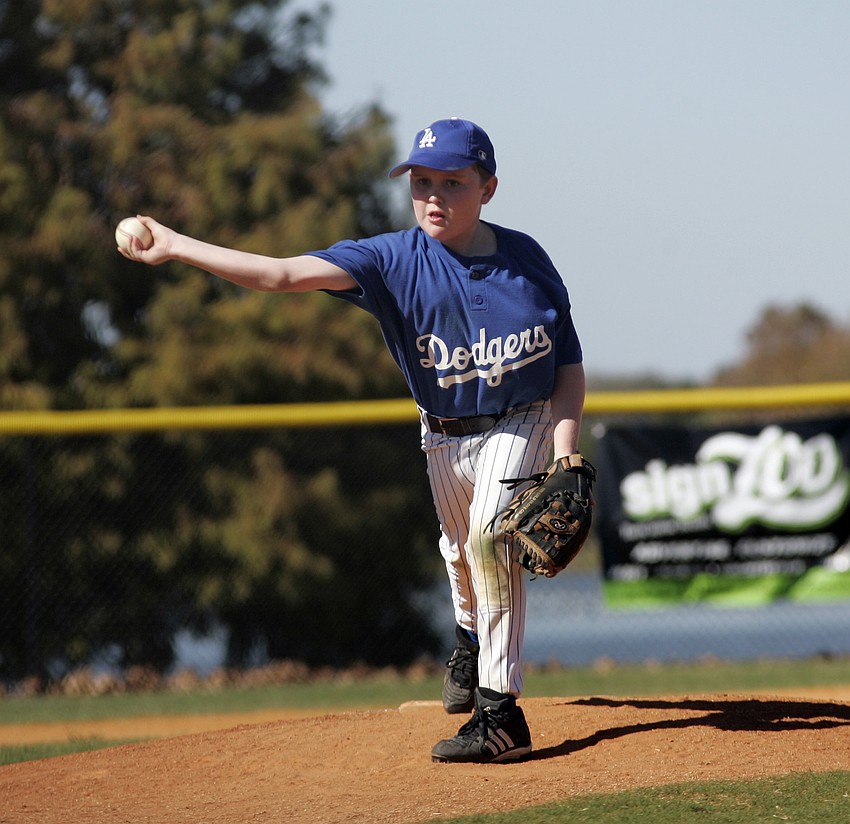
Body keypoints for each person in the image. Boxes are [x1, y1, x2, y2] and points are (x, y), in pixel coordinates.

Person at [118, 117, 586, 763]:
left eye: (453, 182)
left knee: (489, 539)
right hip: (443, 434)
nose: (433, 196)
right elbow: (280, 275)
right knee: (458, 550)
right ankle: (469, 639)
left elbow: (566, 365)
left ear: (489, 188)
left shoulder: (527, 261)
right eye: (422, 181)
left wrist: (567, 453)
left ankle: (501, 716)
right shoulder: (391, 259)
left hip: (522, 418)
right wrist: (176, 245)